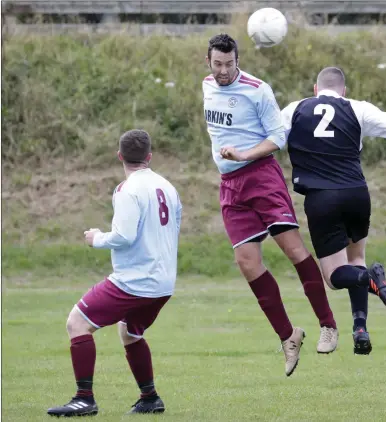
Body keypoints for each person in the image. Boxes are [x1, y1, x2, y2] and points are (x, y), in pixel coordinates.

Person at [274, 67, 386, 355]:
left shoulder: (295, 109)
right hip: (357, 194)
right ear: (344, 91)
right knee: (357, 258)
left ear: (315, 89)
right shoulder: (358, 109)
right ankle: (360, 327)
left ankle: (370, 279)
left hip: (322, 199)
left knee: (335, 276)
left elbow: (270, 138)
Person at [202, 34, 338, 377]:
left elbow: (278, 137)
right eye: (217, 64)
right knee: (246, 262)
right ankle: (288, 336)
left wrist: (244, 153)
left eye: (228, 64)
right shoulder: (207, 85)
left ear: (238, 60)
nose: (222, 71)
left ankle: (328, 324)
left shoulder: (257, 89)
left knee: (293, 250)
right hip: (230, 186)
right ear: (208, 62)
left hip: (261, 176)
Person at [47, 130, 183, 417]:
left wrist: (96, 238)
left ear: (119, 156)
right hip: (163, 282)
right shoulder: (168, 187)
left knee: (77, 323)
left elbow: (123, 236)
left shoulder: (127, 190)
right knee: (131, 332)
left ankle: (84, 399)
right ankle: (150, 398)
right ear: (149, 156)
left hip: (134, 281)